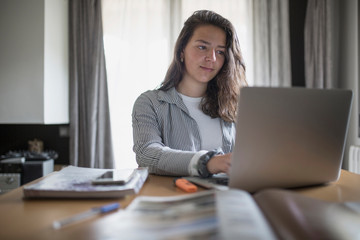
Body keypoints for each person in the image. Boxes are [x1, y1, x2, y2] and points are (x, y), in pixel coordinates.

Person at [132, 10, 246, 177]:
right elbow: (146, 154)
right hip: (176, 197)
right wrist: (208, 162)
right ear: (181, 51)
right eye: (202, 47)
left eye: (220, 51)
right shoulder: (150, 103)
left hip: (231, 196)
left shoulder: (236, 105)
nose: (212, 58)